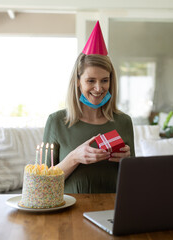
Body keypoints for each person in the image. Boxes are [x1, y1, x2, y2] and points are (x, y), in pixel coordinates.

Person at [43, 21, 135, 193]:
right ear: (78, 82)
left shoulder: (124, 122)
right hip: (70, 211)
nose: (99, 88)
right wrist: (74, 157)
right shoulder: (57, 122)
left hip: (114, 211)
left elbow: (132, 180)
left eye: (104, 80)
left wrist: (127, 160)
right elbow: (42, 185)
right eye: (91, 81)